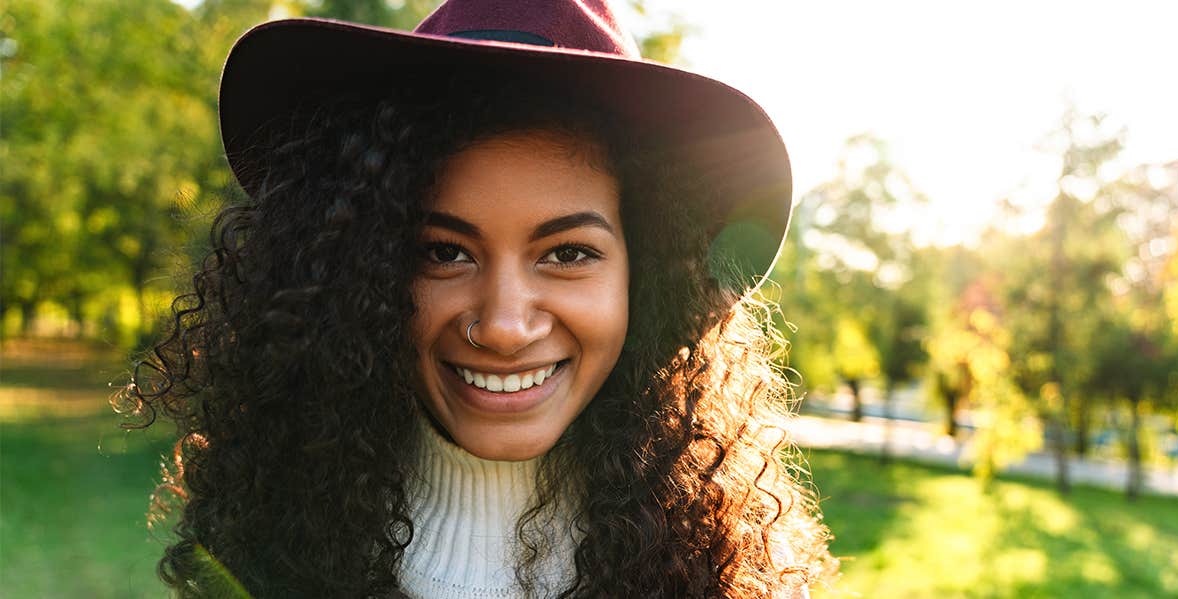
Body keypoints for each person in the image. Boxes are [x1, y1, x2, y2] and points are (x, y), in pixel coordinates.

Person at [124, 1, 836, 597]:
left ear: (643, 276)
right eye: (442, 252)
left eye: (567, 253)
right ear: (357, 273)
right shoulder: (256, 562)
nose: (502, 325)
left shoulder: (720, 574)